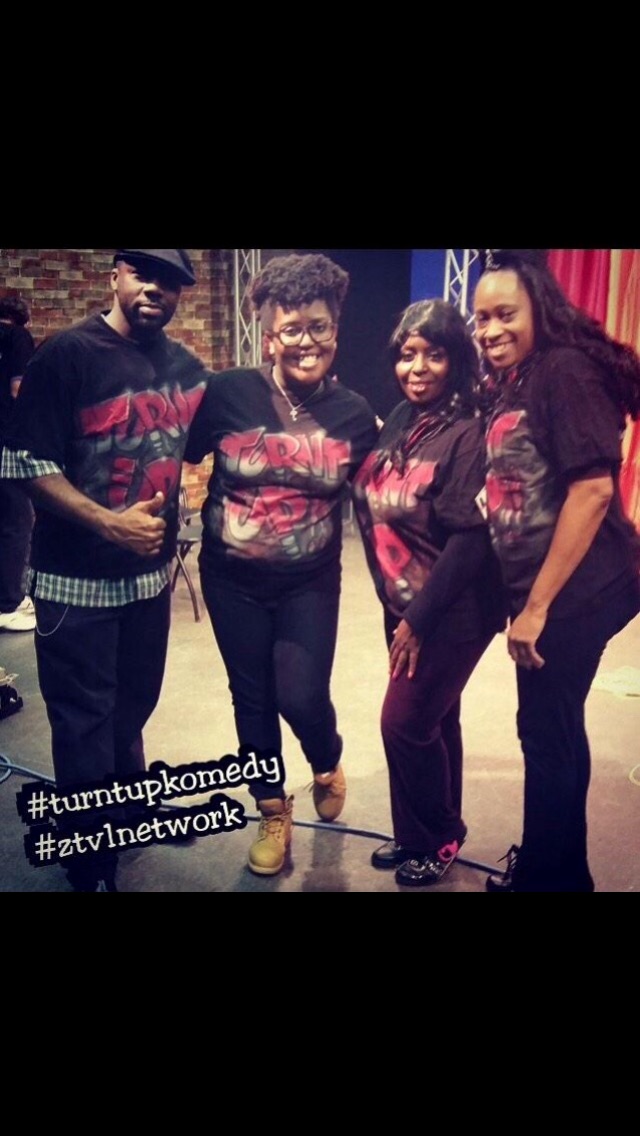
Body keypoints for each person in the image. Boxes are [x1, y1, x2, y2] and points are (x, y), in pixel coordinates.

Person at [0, 249, 209, 891]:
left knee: (130, 713)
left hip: (147, 586)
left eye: (170, 280)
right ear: (115, 274)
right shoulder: (65, 355)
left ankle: (120, 813)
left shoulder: (185, 367)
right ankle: (91, 866)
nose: (155, 288)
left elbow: (209, 445)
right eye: (143, 272)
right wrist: (107, 521)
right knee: (83, 727)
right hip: (74, 585)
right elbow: (23, 465)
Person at [184, 253, 378, 876]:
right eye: (290, 328)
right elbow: (177, 458)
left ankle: (325, 758)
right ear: (268, 334)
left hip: (309, 582)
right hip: (231, 579)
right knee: (252, 698)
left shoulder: (354, 415)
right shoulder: (227, 393)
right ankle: (272, 808)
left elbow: (387, 507)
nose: (305, 341)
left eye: (317, 326)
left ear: (335, 330)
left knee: (301, 694)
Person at [473, 249, 640, 893]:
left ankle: (545, 881)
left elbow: (593, 491)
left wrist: (535, 608)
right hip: (560, 588)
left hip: (577, 593)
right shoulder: (527, 375)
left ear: (539, 306)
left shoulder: (565, 371)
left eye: (505, 314)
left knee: (544, 735)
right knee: (559, 728)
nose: (490, 330)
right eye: (482, 318)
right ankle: (565, 874)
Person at [352, 299, 506, 886]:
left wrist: (416, 619)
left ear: (456, 360)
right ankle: (417, 833)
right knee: (438, 720)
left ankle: (440, 834)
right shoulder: (400, 419)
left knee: (405, 722)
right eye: (407, 354)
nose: (417, 367)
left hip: (451, 609)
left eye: (433, 355)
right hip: (403, 602)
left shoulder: (468, 433)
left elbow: (470, 541)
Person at [0, 297, 36, 632]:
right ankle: (9, 604)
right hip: (7, 441)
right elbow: (19, 390)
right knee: (17, 520)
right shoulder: (16, 338)